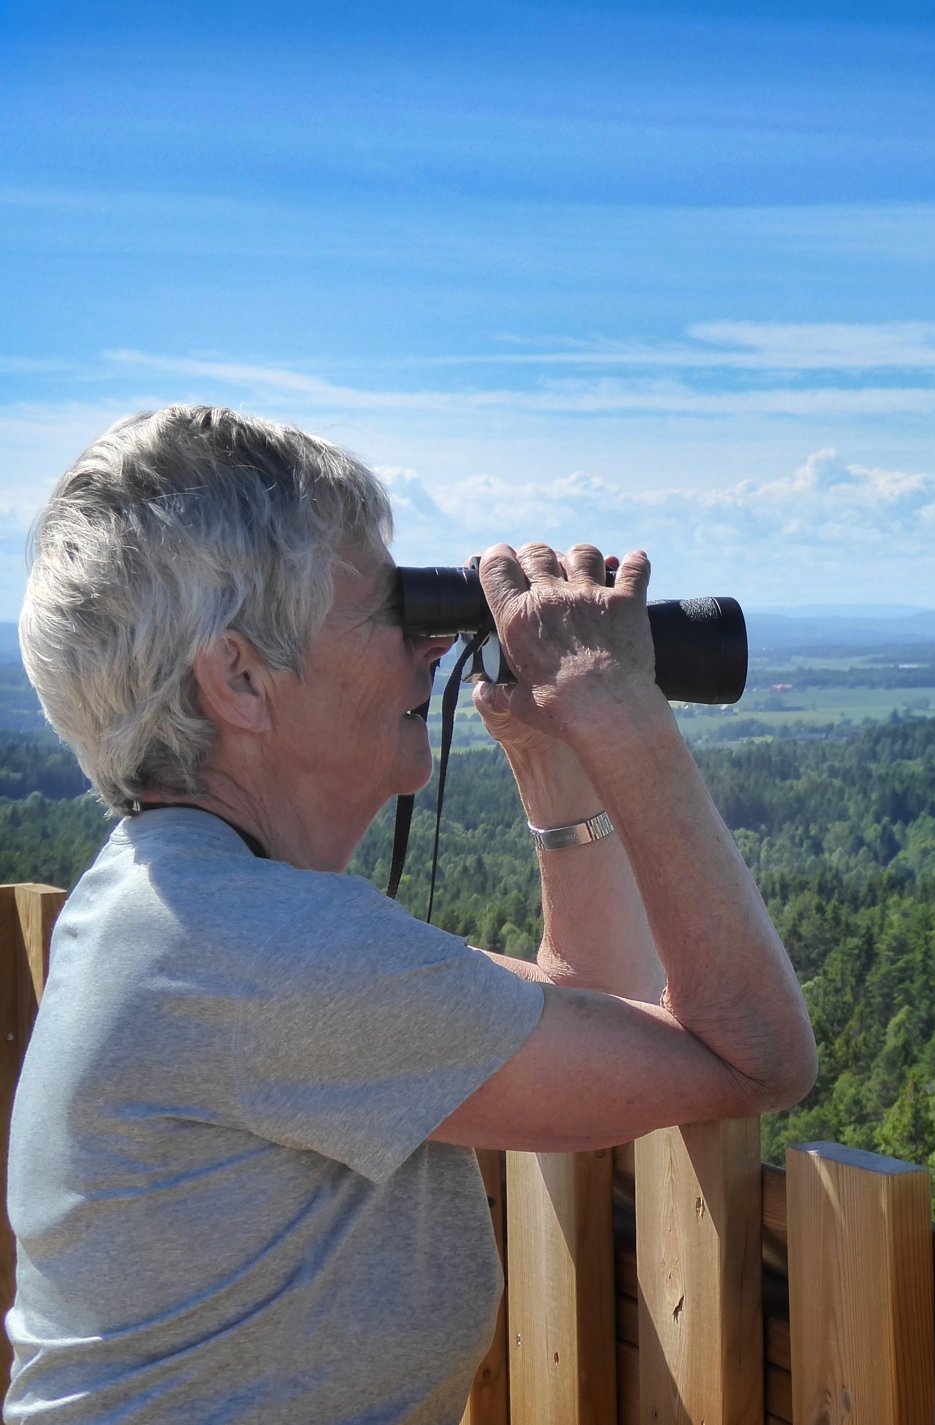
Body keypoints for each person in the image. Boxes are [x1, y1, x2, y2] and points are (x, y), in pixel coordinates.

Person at [5, 405, 818, 1423]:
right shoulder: (265, 955)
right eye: (390, 611)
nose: (435, 645)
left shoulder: (181, 904)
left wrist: (555, 767)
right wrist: (627, 719)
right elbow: (754, 1061)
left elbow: (592, 1016)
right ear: (241, 677)